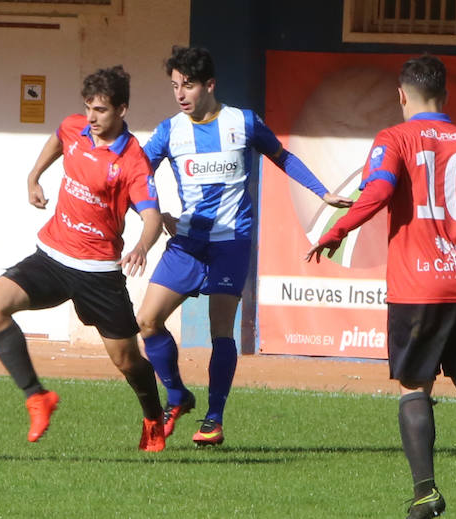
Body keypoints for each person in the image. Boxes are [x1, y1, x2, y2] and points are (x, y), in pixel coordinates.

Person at [307, 55, 456, 519]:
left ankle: (426, 493)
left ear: (402, 95)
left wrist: (337, 231)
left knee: (413, 387)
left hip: (418, 287)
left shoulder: (394, 138)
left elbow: (379, 192)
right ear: (445, 95)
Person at [138, 45, 352, 446]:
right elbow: (136, 175)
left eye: (188, 85)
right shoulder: (170, 131)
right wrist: (154, 213)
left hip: (231, 242)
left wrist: (322, 193)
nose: (180, 94)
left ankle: (213, 419)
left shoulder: (243, 123)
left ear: (210, 85)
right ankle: (177, 395)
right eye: (174, 86)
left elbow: (283, 157)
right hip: (187, 242)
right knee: (148, 321)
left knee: (222, 328)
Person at [0, 65, 167, 451]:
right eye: (89, 108)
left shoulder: (132, 161)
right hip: (51, 256)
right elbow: (57, 140)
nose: (93, 118)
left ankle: (153, 418)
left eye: (101, 110)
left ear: (122, 110)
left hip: (98, 273)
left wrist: (141, 247)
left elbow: (152, 217)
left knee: (127, 360)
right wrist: (34, 177)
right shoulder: (73, 127)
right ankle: (37, 397)